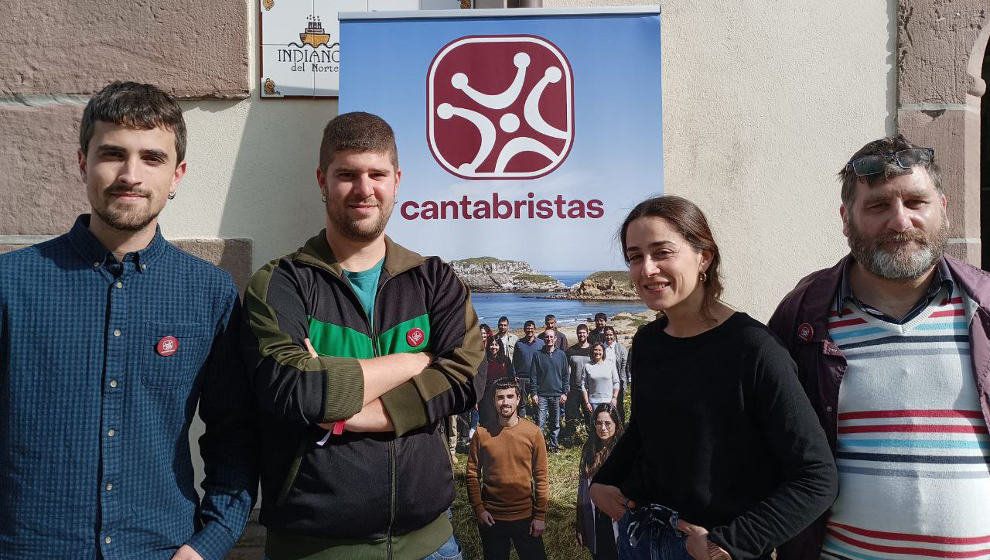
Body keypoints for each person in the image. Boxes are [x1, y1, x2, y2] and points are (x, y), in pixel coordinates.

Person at [0, 81, 257, 559]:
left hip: (160, 549)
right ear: (83, 163)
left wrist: (209, 543)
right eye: (113, 154)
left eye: (152, 158)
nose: (130, 175)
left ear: (178, 174)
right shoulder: (11, 284)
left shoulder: (210, 294)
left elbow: (235, 436)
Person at [242, 111, 483, 559]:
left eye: (377, 174)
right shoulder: (281, 283)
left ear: (397, 180)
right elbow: (296, 390)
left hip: (431, 545)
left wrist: (344, 413)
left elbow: (468, 377)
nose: (364, 189)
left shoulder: (434, 279)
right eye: (347, 175)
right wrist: (416, 362)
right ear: (322, 181)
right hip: (315, 549)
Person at [769, 135, 990, 560]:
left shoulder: (985, 312)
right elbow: (763, 439)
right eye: (878, 206)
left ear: (942, 208)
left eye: (915, 203)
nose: (900, 221)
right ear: (845, 218)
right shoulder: (803, 319)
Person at [589, 195, 837, 560]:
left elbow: (817, 477)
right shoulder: (647, 343)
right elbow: (647, 428)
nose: (647, 269)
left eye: (662, 252)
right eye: (635, 256)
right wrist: (604, 480)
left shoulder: (754, 349)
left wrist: (729, 544)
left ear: (703, 256)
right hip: (642, 537)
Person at [466, 378, 549, 560]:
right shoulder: (481, 434)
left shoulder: (533, 433)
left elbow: (541, 476)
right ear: (494, 400)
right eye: (500, 397)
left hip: (526, 517)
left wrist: (540, 515)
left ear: (518, 399)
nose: (505, 402)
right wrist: (479, 509)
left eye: (510, 396)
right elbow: (472, 475)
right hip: (492, 518)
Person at [577, 403, 625, 560]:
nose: (603, 428)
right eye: (599, 423)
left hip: (617, 517)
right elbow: (582, 490)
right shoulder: (589, 450)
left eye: (607, 423)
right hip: (594, 517)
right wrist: (580, 525)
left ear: (616, 425)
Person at [530, 328, 569, 452]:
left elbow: (565, 375)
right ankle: (540, 448)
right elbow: (533, 376)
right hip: (542, 395)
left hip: (557, 394)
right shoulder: (537, 354)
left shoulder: (561, 354)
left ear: (555, 339)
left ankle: (553, 445)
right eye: (546, 337)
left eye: (551, 337)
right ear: (543, 339)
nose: (549, 339)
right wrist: (534, 393)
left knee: (555, 423)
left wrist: (565, 392)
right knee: (540, 423)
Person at [564, 323, 593, 441]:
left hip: (589, 388)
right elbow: (567, 370)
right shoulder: (571, 350)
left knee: (589, 415)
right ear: (577, 334)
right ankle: (571, 438)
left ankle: (591, 438)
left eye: (583, 332)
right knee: (571, 415)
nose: (581, 335)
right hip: (574, 388)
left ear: (587, 333)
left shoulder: (593, 349)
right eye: (579, 333)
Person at [581, 342, 619, 431]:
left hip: (609, 401)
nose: (597, 352)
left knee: (610, 426)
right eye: (595, 350)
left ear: (603, 352)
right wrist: (587, 402)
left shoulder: (610, 364)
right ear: (592, 351)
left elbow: (616, 382)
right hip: (594, 402)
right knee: (597, 428)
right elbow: (583, 385)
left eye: (599, 350)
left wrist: (614, 397)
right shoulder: (587, 366)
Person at [479, 336, 516, 427]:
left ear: (500, 347)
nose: (494, 347)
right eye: (492, 345)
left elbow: (511, 377)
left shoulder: (505, 360)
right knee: (488, 419)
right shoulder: (484, 360)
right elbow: (480, 379)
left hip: (502, 394)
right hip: (487, 395)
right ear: (488, 346)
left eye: (496, 345)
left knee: (502, 418)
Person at [512, 320, 545, 419]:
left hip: (537, 378)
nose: (529, 330)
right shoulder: (519, 344)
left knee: (537, 402)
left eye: (531, 328)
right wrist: (514, 374)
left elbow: (544, 360)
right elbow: (515, 360)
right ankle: (522, 422)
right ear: (524, 330)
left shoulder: (541, 343)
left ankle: (538, 422)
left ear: (535, 329)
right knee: (522, 402)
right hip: (522, 378)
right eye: (527, 328)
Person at [602, 326, 630, 423]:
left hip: (618, 382)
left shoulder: (621, 348)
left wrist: (625, 381)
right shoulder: (601, 347)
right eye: (606, 335)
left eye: (610, 335)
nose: (608, 337)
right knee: (606, 406)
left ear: (614, 335)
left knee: (619, 406)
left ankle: (620, 427)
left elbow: (625, 367)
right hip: (604, 382)